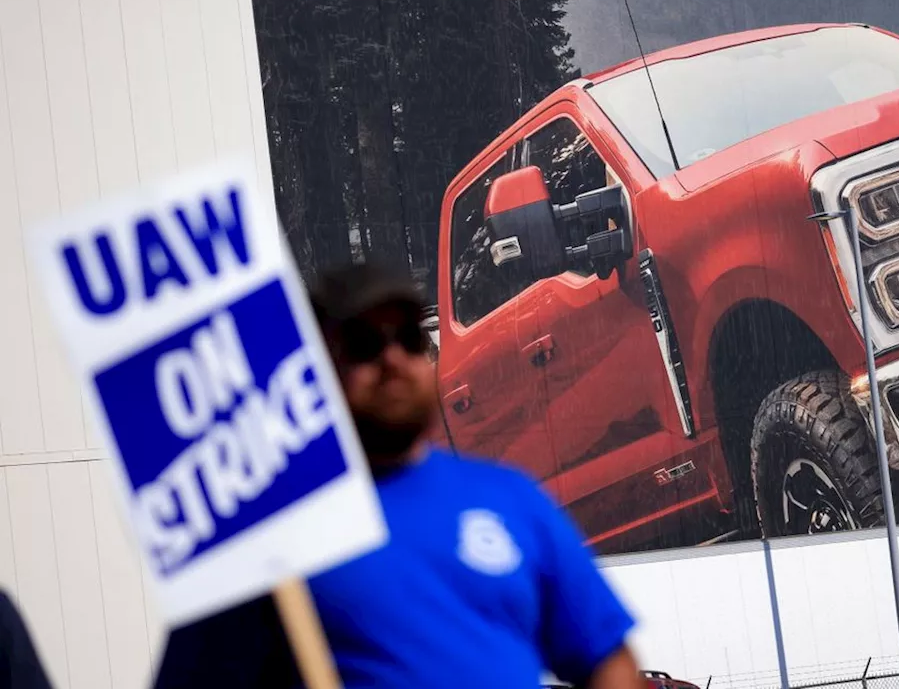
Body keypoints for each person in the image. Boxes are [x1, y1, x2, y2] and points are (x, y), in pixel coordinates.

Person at [153, 260, 642, 689]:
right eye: (365, 344)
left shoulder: (511, 500)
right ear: (316, 367)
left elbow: (607, 662)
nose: (392, 360)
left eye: (409, 337)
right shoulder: (265, 536)